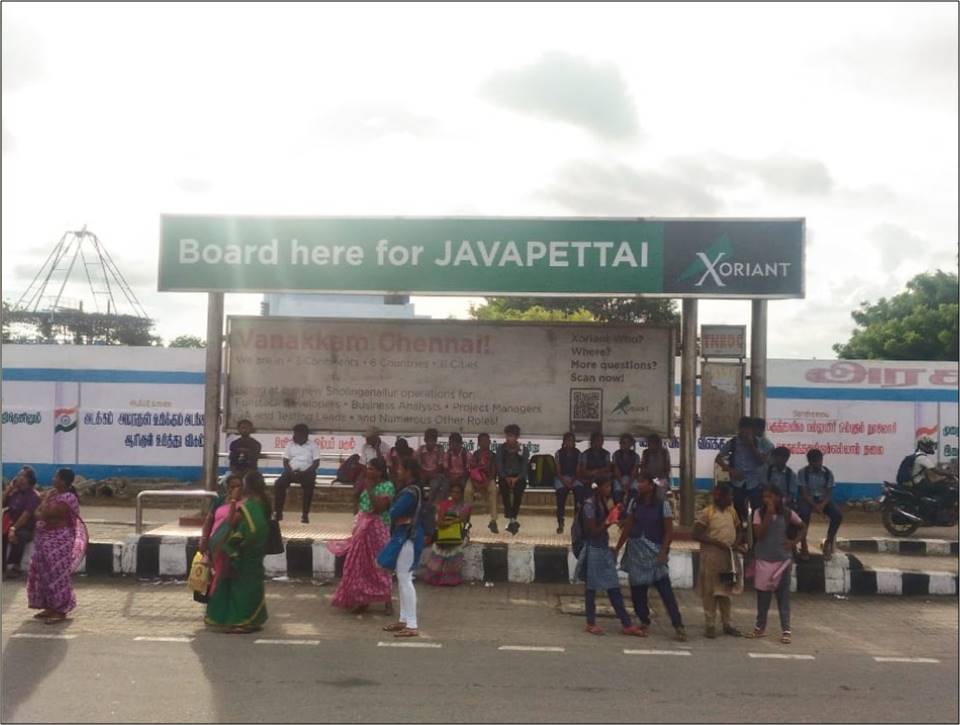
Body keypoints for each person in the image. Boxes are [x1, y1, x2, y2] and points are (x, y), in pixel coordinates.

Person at [615, 475, 687, 641]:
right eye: (638, 481)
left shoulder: (663, 505)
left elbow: (669, 531)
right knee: (637, 591)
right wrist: (618, 547)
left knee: (665, 591)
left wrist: (663, 551)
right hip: (636, 551)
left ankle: (678, 625)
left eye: (642, 482)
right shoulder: (634, 503)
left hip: (654, 551)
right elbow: (628, 527)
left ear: (651, 486)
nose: (639, 485)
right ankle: (644, 620)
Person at [573, 480, 645, 637]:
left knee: (610, 585)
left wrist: (618, 516)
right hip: (593, 549)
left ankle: (624, 623)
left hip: (602, 548)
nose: (609, 489)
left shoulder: (605, 502)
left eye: (609, 486)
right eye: (606, 486)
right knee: (593, 587)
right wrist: (608, 521)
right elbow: (592, 531)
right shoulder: (589, 505)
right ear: (598, 488)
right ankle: (594, 623)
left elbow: (615, 519)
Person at [205, 471, 271, 633]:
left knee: (239, 588)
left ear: (248, 487)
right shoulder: (263, 503)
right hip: (256, 552)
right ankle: (254, 619)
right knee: (253, 586)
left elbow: (229, 523)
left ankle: (241, 621)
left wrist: (234, 501)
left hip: (242, 552)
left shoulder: (247, 507)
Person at [327, 458, 395, 613]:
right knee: (360, 564)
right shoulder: (364, 482)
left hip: (378, 528)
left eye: (372, 469)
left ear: (380, 472)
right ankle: (363, 599)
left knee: (380, 563)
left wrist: (370, 489)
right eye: (368, 468)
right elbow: (356, 500)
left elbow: (379, 508)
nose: (368, 471)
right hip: (362, 527)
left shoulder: (387, 486)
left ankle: (387, 601)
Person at [746, 484, 806, 645]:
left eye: (771, 496)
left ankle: (786, 629)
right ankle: (760, 627)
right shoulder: (759, 513)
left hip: (782, 561)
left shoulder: (787, 513)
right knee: (763, 597)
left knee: (783, 597)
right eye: (765, 497)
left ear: (779, 497)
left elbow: (802, 527)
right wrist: (768, 515)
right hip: (764, 560)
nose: (767, 500)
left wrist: (794, 542)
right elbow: (759, 534)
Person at [26, 468, 88, 624]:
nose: (53, 479)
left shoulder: (68, 498)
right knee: (43, 573)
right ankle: (49, 606)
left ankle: (60, 610)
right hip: (44, 539)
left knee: (57, 574)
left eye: (56, 477)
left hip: (59, 540)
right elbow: (38, 513)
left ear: (63, 481)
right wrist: (44, 506)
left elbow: (46, 514)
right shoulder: (53, 495)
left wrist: (44, 504)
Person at [378, 457, 426, 638]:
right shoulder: (412, 490)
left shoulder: (409, 493)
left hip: (407, 536)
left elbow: (393, 512)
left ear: (408, 471)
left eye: (400, 469)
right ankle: (404, 619)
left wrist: (390, 505)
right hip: (407, 535)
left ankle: (412, 624)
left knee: (405, 578)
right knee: (402, 577)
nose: (397, 472)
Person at [693, 483, 744, 639]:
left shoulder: (732, 511)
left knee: (725, 592)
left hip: (728, 558)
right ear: (720, 496)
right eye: (729, 495)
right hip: (711, 558)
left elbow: (739, 530)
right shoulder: (707, 513)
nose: (731, 498)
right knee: (710, 592)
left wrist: (736, 544)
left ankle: (727, 624)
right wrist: (716, 543)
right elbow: (696, 534)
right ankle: (710, 625)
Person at [715, 417, 768, 536]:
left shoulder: (758, 442)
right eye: (744, 429)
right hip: (738, 481)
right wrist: (731, 470)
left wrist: (752, 446)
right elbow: (718, 458)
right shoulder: (733, 443)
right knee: (737, 505)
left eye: (749, 430)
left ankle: (755, 533)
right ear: (740, 429)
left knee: (757, 508)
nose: (746, 432)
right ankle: (741, 529)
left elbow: (762, 461)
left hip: (754, 481)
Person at [422, 480, 471, 586]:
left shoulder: (465, 507)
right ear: (450, 493)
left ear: (461, 494)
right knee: (439, 555)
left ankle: (450, 580)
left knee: (454, 555)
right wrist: (454, 521)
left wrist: (450, 522)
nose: (455, 494)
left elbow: (464, 521)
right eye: (453, 492)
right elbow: (440, 522)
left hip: (457, 536)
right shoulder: (444, 505)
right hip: (444, 535)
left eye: (458, 492)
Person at [796, 449, 843, 560]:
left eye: (819, 461)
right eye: (815, 462)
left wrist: (822, 505)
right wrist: (815, 506)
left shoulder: (828, 473)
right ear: (809, 462)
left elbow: (829, 493)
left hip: (823, 500)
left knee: (838, 515)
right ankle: (803, 544)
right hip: (808, 500)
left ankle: (828, 542)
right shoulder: (802, 473)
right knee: (803, 514)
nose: (818, 464)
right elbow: (803, 493)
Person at [274, 423, 320, 523]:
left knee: (309, 486)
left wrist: (305, 472)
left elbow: (316, 463)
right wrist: (290, 471)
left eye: (298, 434)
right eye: (295, 434)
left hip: (307, 473)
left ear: (305, 435)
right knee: (279, 484)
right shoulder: (289, 445)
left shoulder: (313, 445)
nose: (295, 436)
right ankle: (278, 513)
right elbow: (285, 461)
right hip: (291, 472)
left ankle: (305, 515)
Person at [3, 466, 41, 578]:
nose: (17, 477)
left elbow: (26, 516)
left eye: (21, 475)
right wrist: (9, 489)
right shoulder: (16, 493)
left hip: (25, 527)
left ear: (28, 479)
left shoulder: (33, 495)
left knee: (20, 535)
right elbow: (2, 504)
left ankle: (14, 566)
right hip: (10, 524)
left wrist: (13, 529)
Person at [496, 424, 530, 535]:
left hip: (518, 477)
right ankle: (510, 517)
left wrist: (516, 478)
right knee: (504, 490)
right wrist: (506, 477)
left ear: (517, 437)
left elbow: (524, 468)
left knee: (518, 492)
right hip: (504, 476)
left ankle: (513, 517)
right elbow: (499, 466)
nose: (509, 438)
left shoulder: (523, 449)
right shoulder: (501, 449)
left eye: (512, 436)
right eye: (508, 436)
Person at [468, 432, 500, 534]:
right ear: (478, 443)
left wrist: (485, 483)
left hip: (488, 480)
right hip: (474, 480)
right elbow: (472, 470)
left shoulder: (493, 456)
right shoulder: (475, 455)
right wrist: (476, 483)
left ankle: (493, 520)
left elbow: (493, 472)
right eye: (482, 441)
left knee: (493, 489)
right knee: (467, 490)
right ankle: (466, 520)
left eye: (486, 441)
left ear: (490, 442)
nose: (484, 443)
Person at [554, 432, 584, 534]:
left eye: (572, 440)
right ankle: (560, 522)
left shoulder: (578, 453)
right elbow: (558, 472)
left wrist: (572, 481)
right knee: (561, 494)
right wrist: (565, 482)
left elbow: (578, 471)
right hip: (562, 477)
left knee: (579, 493)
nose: (570, 442)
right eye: (568, 440)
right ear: (564, 442)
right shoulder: (558, 453)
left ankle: (577, 521)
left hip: (574, 478)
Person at [578, 431, 614, 499]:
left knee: (609, 488)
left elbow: (608, 468)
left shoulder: (606, 453)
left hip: (603, 480)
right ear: (592, 442)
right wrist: (592, 473)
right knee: (589, 491)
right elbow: (583, 471)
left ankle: (607, 504)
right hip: (590, 480)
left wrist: (597, 471)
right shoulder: (585, 454)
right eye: (597, 440)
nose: (599, 443)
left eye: (601, 441)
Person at [640, 433, 672, 500]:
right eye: (649, 443)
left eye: (653, 443)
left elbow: (667, 469)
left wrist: (657, 478)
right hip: (649, 478)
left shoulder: (664, 453)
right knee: (641, 487)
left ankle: (660, 505)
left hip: (661, 478)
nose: (650, 445)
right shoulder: (646, 452)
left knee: (660, 488)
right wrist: (646, 477)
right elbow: (643, 468)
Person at [612, 433, 640, 504]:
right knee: (617, 490)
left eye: (628, 443)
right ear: (620, 444)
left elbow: (634, 471)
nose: (625, 445)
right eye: (623, 443)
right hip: (619, 478)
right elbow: (616, 470)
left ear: (631, 444)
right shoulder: (616, 454)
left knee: (635, 490)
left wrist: (629, 484)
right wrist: (622, 484)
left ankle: (632, 506)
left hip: (631, 478)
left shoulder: (635, 456)